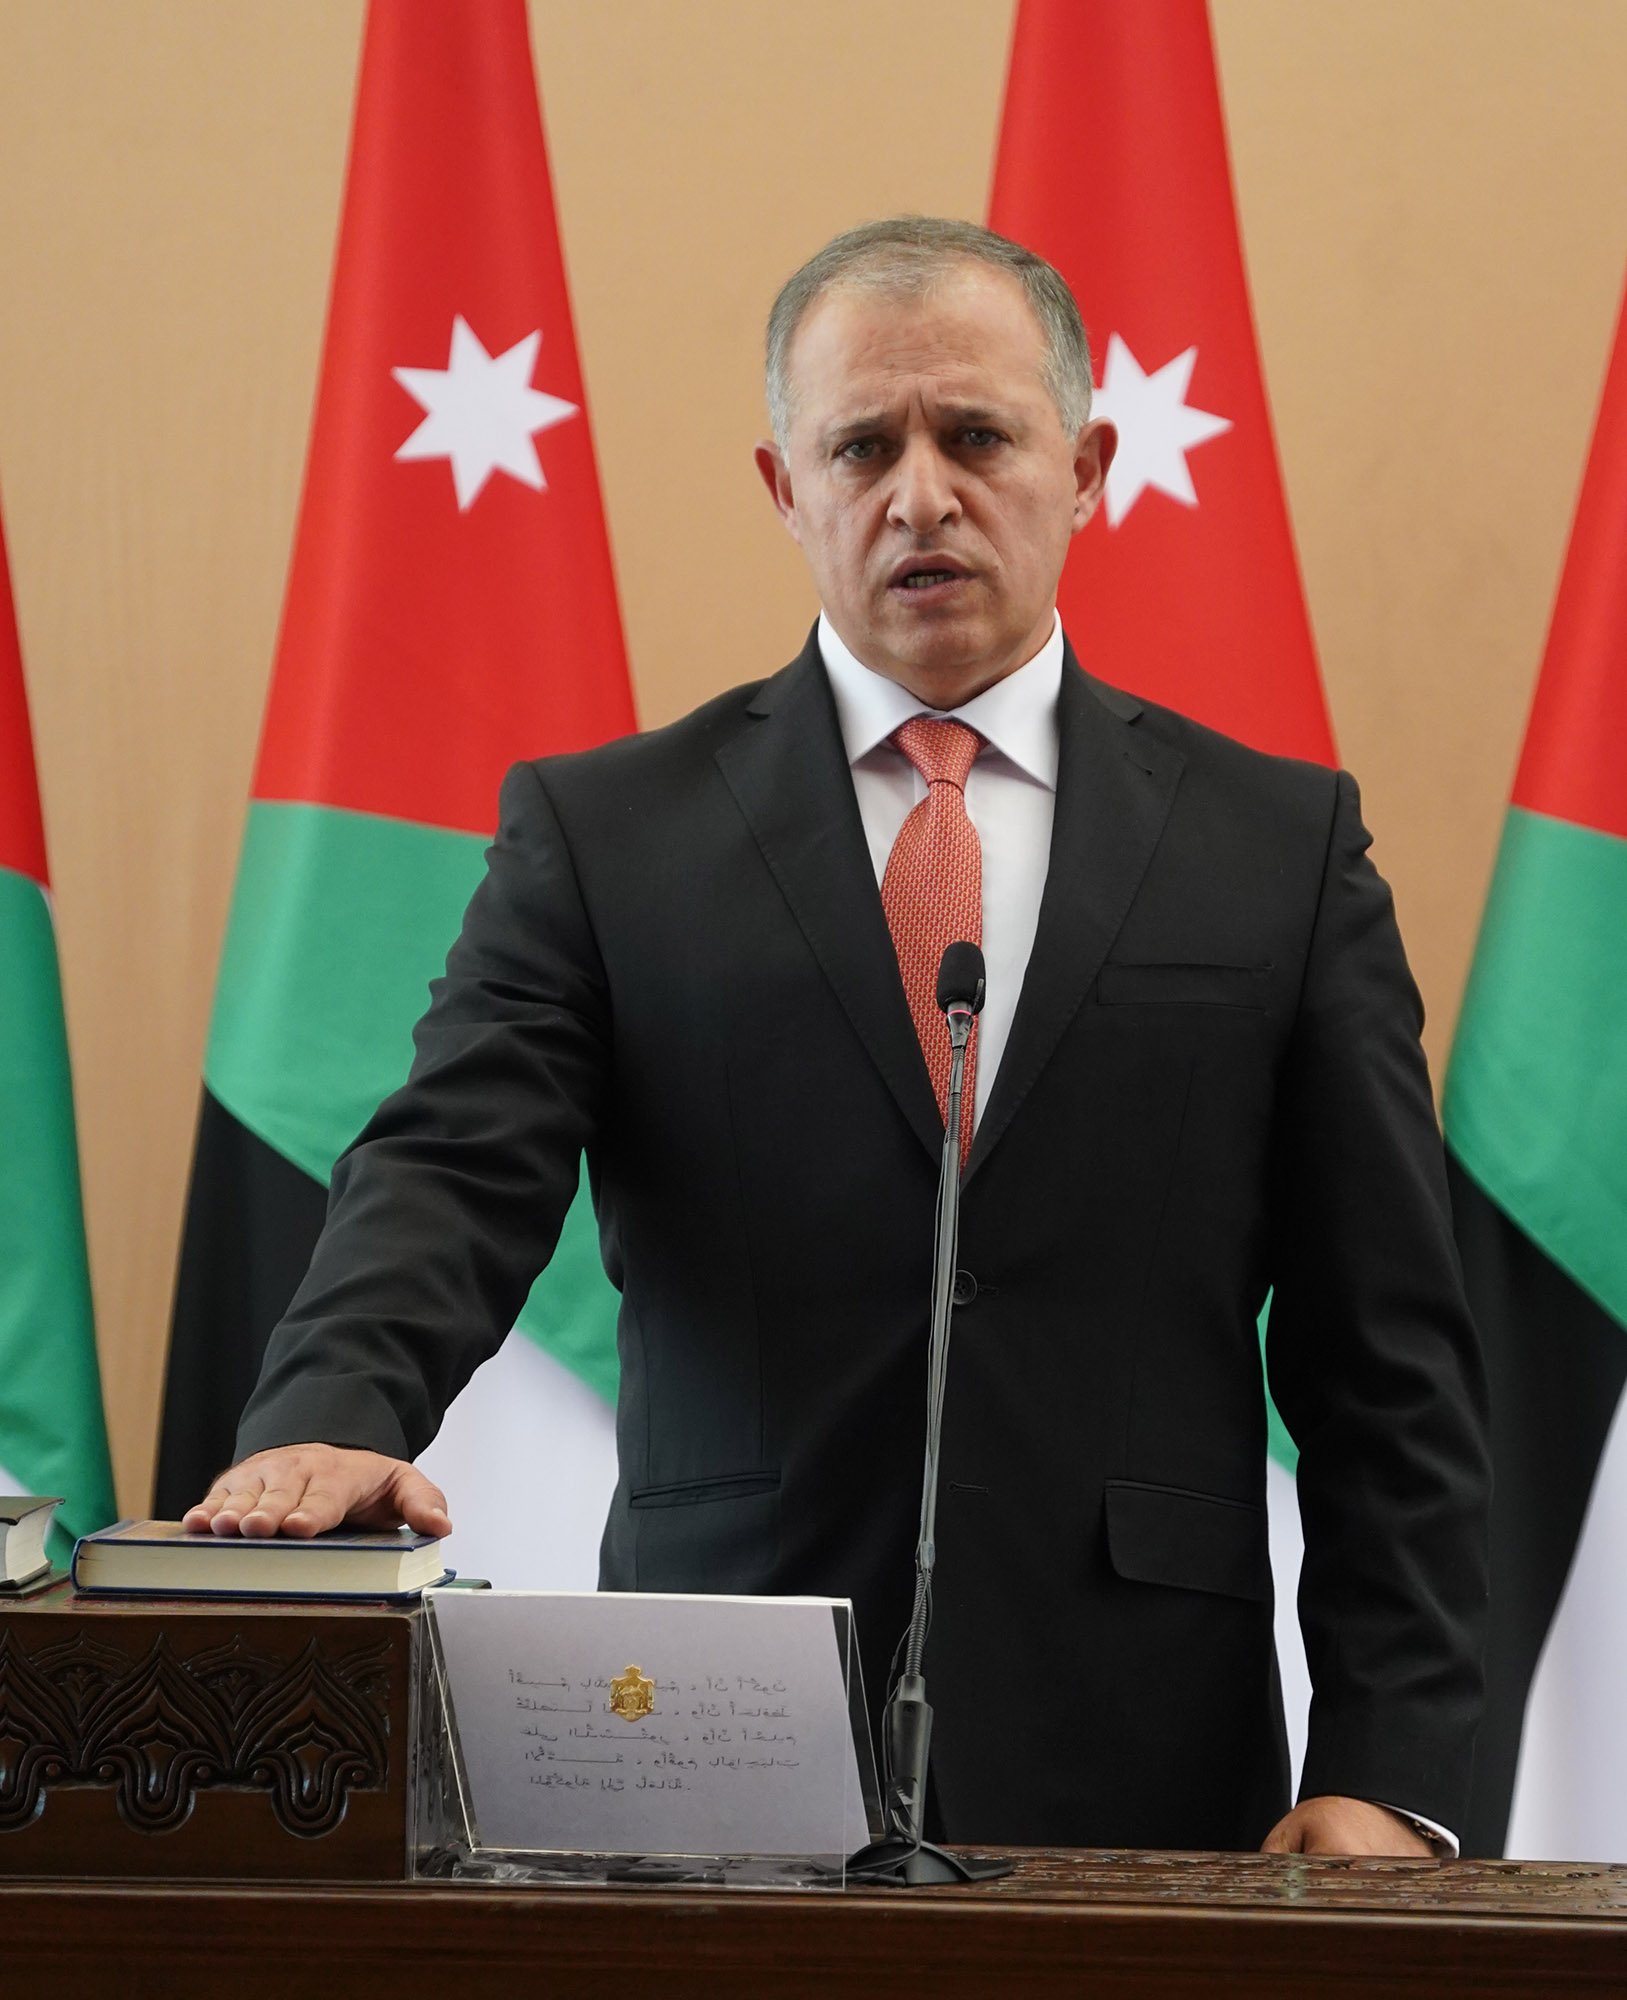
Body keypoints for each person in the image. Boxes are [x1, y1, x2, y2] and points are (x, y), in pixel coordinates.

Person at [186, 217, 1489, 1856]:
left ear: (1086, 467)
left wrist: (1391, 1768)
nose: (921, 496)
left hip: (1145, 1752)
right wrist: (335, 1411)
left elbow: (1389, 1365)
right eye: (863, 447)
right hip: (706, 1740)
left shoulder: (1277, 849)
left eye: (978, 437)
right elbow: (449, 1170)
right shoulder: (610, 838)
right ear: (785, 488)